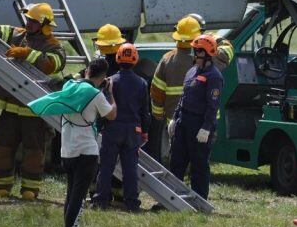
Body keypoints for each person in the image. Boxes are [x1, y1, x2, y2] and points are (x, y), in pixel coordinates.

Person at [0, 3, 66, 199]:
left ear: (44, 24)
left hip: (34, 109)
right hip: (10, 104)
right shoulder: (19, 35)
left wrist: (28, 54)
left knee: (34, 150)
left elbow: (54, 63)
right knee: (4, 145)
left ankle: (30, 189)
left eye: (33, 21)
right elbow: (2, 31)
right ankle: (1, 186)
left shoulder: (54, 45)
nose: (28, 24)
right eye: (28, 20)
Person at [28, 57, 117, 227]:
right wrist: (111, 94)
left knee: (70, 194)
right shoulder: (96, 95)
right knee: (78, 197)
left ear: (87, 71)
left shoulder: (70, 87)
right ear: (104, 76)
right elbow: (111, 115)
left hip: (67, 151)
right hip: (87, 152)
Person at [93, 44, 150, 212]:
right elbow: (145, 112)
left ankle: (101, 201)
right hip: (133, 131)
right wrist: (145, 132)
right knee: (130, 169)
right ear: (135, 59)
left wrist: (99, 126)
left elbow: (103, 108)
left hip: (112, 129)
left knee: (106, 167)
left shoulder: (110, 81)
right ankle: (132, 204)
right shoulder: (142, 83)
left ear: (118, 58)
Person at [169, 34, 225, 200]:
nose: (195, 54)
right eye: (195, 51)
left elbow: (212, 104)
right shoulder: (192, 71)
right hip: (183, 121)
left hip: (199, 124)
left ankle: (199, 201)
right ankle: (172, 198)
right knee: (177, 161)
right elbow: (183, 97)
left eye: (198, 51)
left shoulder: (214, 76)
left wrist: (206, 127)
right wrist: (174, 117)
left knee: (199, 164)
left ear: (207, 54)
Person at [148, 16, 203, 162]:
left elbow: (156, 91)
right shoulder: (205, 58)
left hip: (174, 119)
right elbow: (225, 56)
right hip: (199, 118)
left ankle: (177, 180)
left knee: (177, 155)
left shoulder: (167, 59)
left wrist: (158, 114)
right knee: (198, 155)